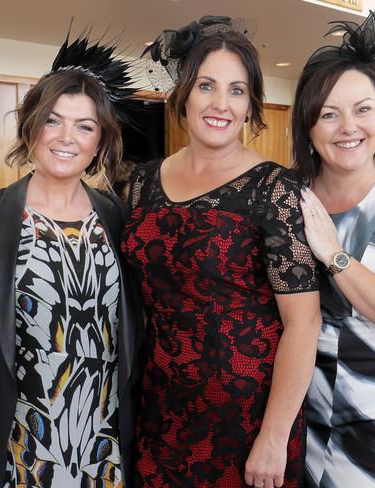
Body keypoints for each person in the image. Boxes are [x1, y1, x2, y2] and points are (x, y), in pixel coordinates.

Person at [121, 16, 322, 488]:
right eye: (206, 85)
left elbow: (303, 322)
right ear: (183, 94)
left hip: (250, 419)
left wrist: (274, 438)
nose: (220, 103)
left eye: (237, 90)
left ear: (251, 103)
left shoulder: (274, 187)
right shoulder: (142, 183)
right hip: (161, 409)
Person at [0, 31, 142, 488]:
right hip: (23, 437)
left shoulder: (118, 216)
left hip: (104, 434)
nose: (66, 138)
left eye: (84, 126)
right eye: (53, 121)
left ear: (99, 141)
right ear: (31, 128)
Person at [292, 5, 375, 487]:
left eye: (363, 109)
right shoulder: (291, 194)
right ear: (308, 126)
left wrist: (335, 255)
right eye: (329, 115)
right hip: (302, 418)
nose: (349, 127)